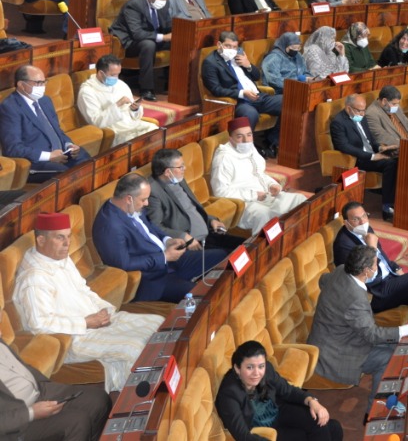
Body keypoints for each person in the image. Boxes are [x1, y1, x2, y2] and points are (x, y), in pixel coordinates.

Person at [13, 211, 164, 393]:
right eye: (60, 237)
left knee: (158, 323)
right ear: (41, 240)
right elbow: (39, 324)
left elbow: (83, 289)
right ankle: (139, 399)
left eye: (68, 236)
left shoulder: (61, 258)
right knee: (134, 347)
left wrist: (104, 309)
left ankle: (165, 381)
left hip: (94, 321)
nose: (67, 243)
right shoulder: (34, 278)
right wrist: (86, 322)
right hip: (74, 338)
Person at [306, 246, 408, 402]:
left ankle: (398, 389)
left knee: (398, 344)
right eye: (375, 265)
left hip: (336, 336)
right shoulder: (356, 300)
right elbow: (372, 335)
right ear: (366, 271)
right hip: (336, 354)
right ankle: (377, 407)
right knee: (387, 357)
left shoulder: (341, 270)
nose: (377, 268)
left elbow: (322, 280)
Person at [91, 174, 207, 302]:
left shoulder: (130, 206)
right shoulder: (110, 226)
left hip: (170, 260)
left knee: (220, 258)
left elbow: (150, 227)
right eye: (144, 199)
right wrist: (164, 257)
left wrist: (167, 240)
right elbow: (123, 263)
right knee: (201, 296)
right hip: (153, 278)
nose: (146, 203)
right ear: (129, 199)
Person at [216, 340, 340, 441]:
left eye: (261, 366)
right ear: (237, 368)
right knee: (326, 430)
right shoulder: (229, 395)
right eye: (249, 367)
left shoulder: (267, 370)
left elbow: (288, 391)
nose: (257, 373)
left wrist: (312, 401)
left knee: (332, 427)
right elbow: (243, 436)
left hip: (278, 412)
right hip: (265, 430)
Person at [333, 202, 408, 313]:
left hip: (390, 279)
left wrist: (396, 269)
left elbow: (382, 257)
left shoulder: (366, 229)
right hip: (376, 291)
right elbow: (366, 276)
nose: (363, 222)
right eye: (356, 219)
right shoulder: (344, 245)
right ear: (346, 223)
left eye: (364, 216)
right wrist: (372, 248)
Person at [209, 117, 307, 232]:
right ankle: (267, 244)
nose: (246, 140)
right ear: (230, 139)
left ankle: (296, 236)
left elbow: (259, 173)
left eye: (249, 135)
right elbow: (220, 191)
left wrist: (271, 184)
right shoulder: (223, 158)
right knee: (265, 215)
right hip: (243, 203)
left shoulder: (250, 149)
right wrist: (254, 195)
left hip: (265, 195)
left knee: (300, 200)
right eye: (239, 136)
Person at [202, 31, 285, 152]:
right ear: (219, 44)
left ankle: (271, 142)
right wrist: (242, 93)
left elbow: (257, 76)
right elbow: (216, 89)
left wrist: (248, 65)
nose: (232, 50)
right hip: (239, 101)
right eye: (228, 46)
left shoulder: (238, 57)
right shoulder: (210, 62)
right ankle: (243, 152)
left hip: (258, 97)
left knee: (288, 102)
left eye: (234, 47)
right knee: (251, 114)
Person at [145, 149, 241, 254]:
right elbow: (155, 226)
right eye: (181, 167)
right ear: (168, 172)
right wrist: (183, 236)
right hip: (194, 244)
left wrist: (211, 220)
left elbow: (192, 209)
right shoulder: (153, 191)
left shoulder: (178, 179)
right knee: (234, 256)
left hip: (209, 233)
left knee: (246, 246)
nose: (185, 168)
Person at [0, 65, 85, 181]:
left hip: (61, 153)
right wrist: (49, 156)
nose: (43, 87)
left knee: (86, 160)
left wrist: (68, 145)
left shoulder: (45, 100)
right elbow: (13, 148)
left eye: (44, 82)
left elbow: (57, 131)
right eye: (38, 83)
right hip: (36, 162)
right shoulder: (10, 108)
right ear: (21, 85)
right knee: (65, 175)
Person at [330, 95, 398, 219]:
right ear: (348, 108)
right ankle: (387, 207)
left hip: (372, 153)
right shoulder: (338, 123)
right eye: (359, 110)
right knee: (390, 164)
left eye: (364, 110)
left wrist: (381, 148)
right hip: (359, 159)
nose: (362, 114)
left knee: (398, 157)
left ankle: (397, 200)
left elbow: (370, 139)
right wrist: (372, 156)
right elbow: (344, 147)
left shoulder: (362, 117)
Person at [108, 0, 171, 100]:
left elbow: (167, 24)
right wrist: (163, 37)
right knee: (149, 45)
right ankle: (146, 89)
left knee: (180, 40)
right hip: (130, 42)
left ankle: (173, 83)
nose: (164, 2)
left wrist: (177, 32)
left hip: (152, 36)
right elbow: (137, 33)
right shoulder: (134, 5)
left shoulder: (164, 3)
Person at [76, 54, 154, 144]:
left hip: (132, 125)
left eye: (118, 74)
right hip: (115, 132)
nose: (116, 78)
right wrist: (118, 104)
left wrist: (134, 109)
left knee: (155, 131)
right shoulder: (87, 92)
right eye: (113, 75)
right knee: (138, 142)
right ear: (101, 73)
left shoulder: (121, 84)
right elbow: (96, 122)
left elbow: (132, 112)